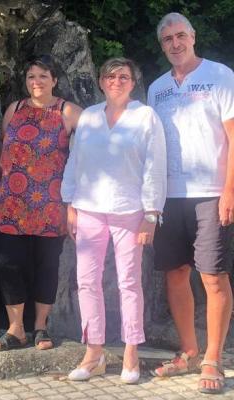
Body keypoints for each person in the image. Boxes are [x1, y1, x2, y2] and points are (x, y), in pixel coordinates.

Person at [62, 57, 166, 383]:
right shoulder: (90, 116)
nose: (116, 81)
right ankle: (94, 353)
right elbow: (75, 161)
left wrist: (151, 214)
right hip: (89, 208)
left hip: (129, 210)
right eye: (110, 76)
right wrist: (70, 203)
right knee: (86, 282)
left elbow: (155, 166)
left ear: (133, 83)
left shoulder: (145, 116)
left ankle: (131, 352)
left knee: (128, 283)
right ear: (101, 82)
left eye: (123, 77)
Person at [148, 12, 234, 395]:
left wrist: (230, 189)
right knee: (175, 274)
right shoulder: (157, 89)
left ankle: (213, 358)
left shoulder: (221, 76)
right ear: (162, 45)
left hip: (211, 193)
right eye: (168, 39)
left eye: (181, 35)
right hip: (169, 197)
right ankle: (189, 351)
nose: (175, 43)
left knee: (213, 276)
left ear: (193, 36)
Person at [0, 55, 82, 351]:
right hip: (10, 204)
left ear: (54, 79)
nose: (36, 82)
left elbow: (87, 155)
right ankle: (15, 329)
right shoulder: (14, 109)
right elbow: (3, 149)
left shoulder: (69, 112)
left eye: (43, 76)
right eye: (31, 76)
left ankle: (41, 326)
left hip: (51, 206)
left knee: (47, 265)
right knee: (9, 265)